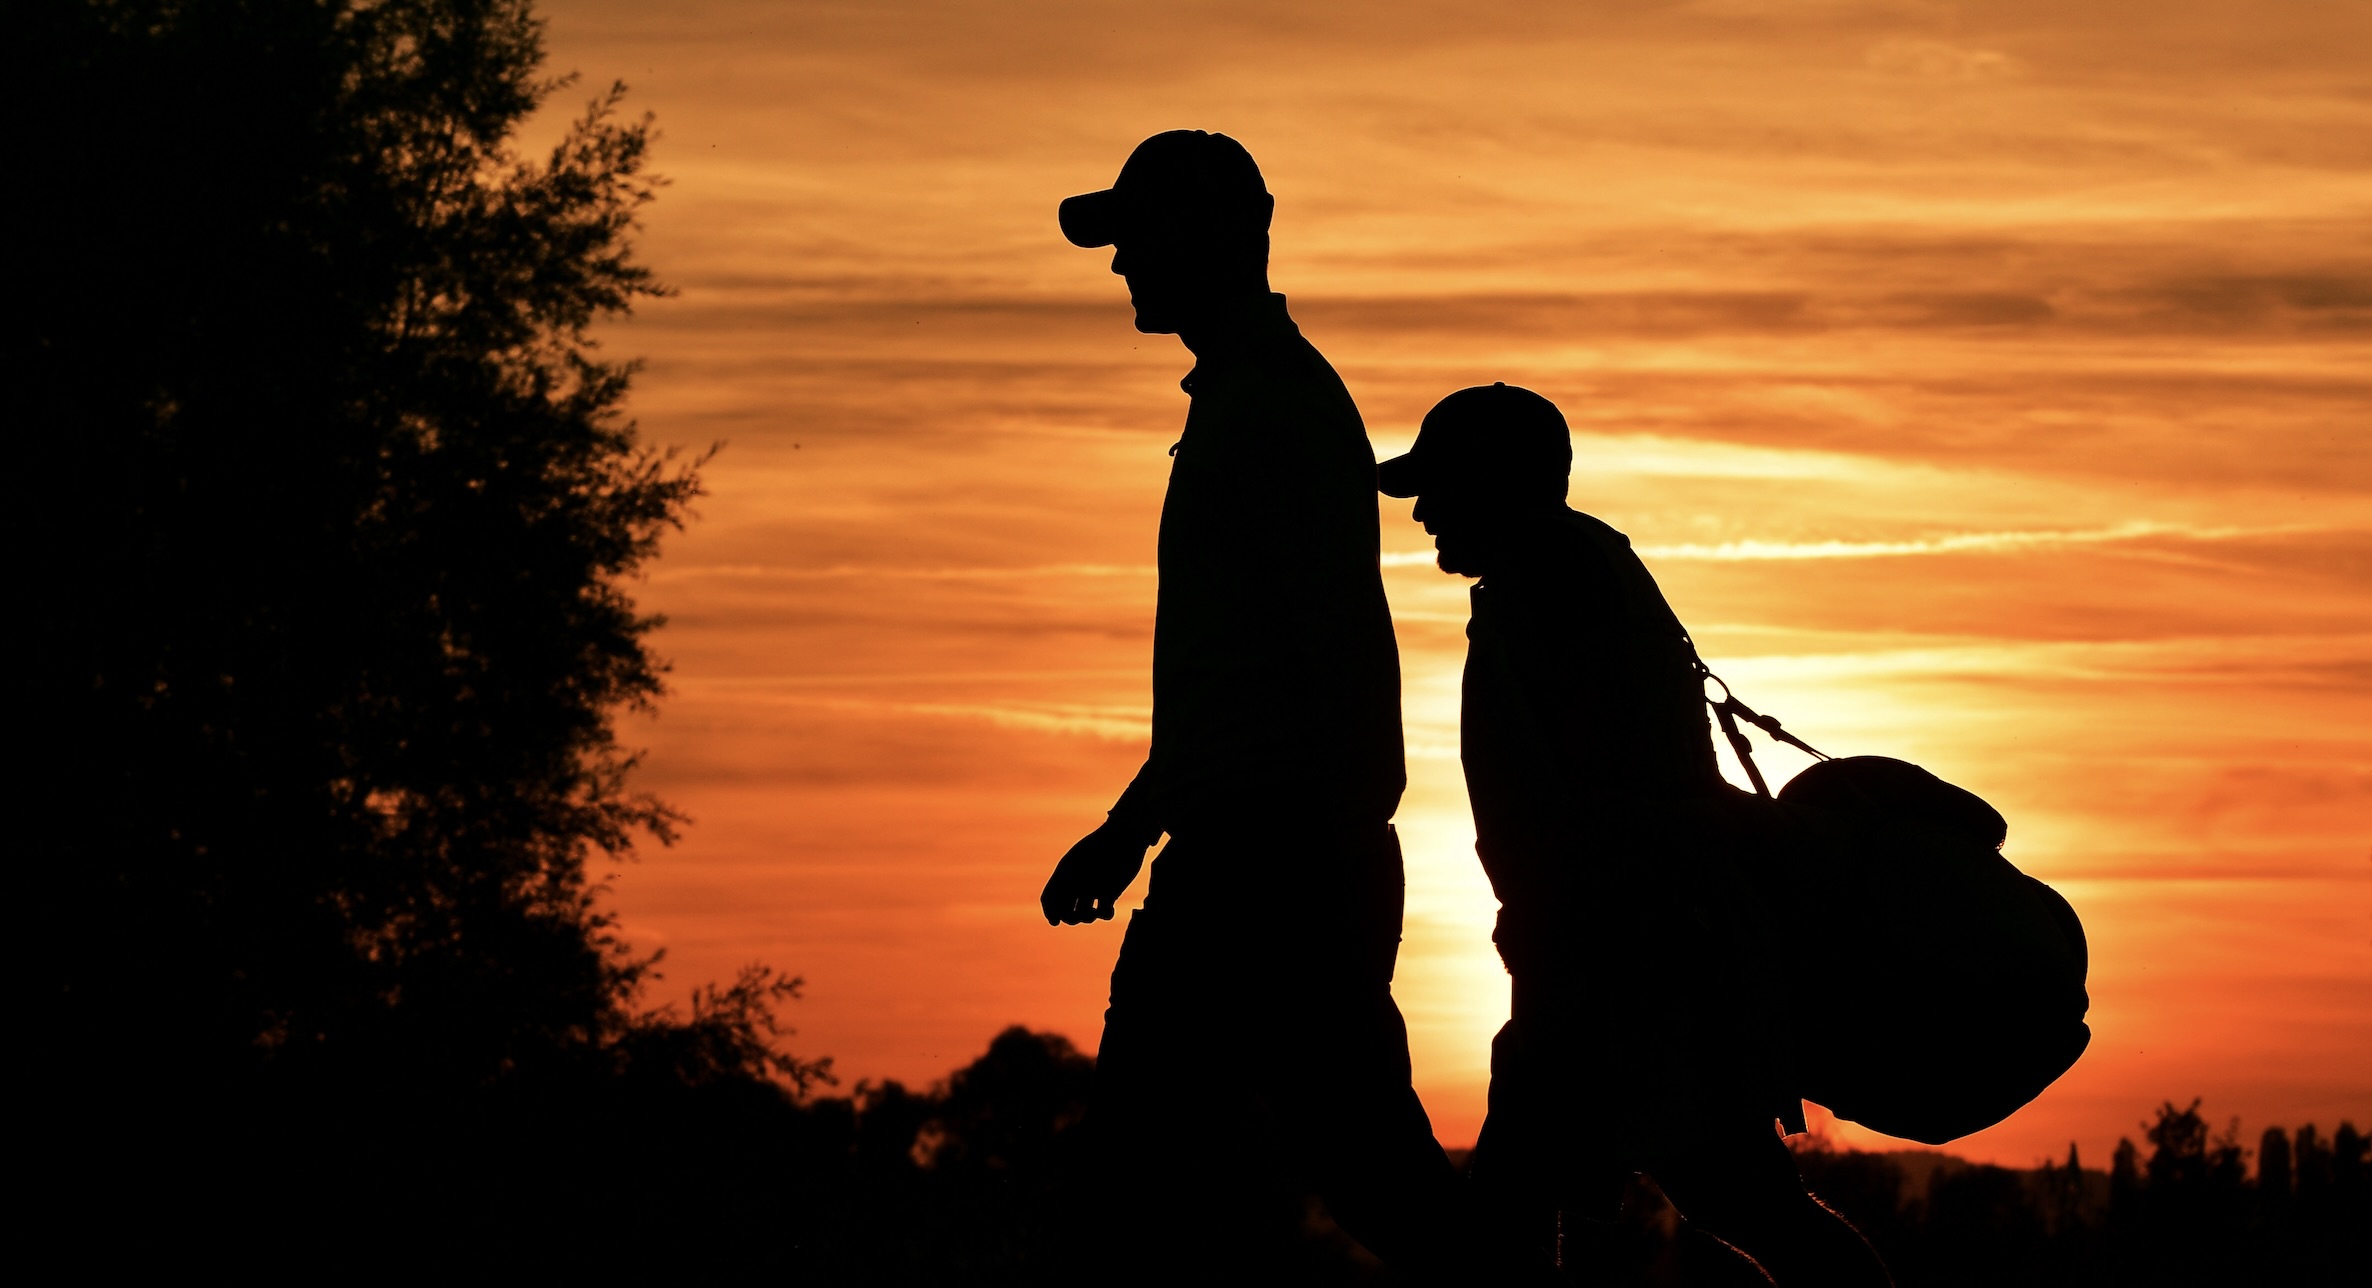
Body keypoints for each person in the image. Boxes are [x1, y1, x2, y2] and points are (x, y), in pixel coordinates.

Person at [1040, 130, 1468, 1278]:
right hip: (1256, 847)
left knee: (1151, 1190)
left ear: (1213, 237)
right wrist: (1135, 828)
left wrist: (1319, 854)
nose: (1122, 265)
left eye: (1138, 239)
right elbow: (1241, 678)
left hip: (1265, 858)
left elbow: (1309, 655)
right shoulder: (1248, 397)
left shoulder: (1270, 407)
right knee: (1336, 1173)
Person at [1378, 384, 1894, 1285]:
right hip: (1626, 950)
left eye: (1438, 484)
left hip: (1622, 958)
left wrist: (1574, 943)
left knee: (1527, 1218)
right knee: (1711, 1201)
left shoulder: (1548, 576)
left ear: (1492, 477)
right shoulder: (1575, 566)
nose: (1421, 511)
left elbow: (1607, 791)